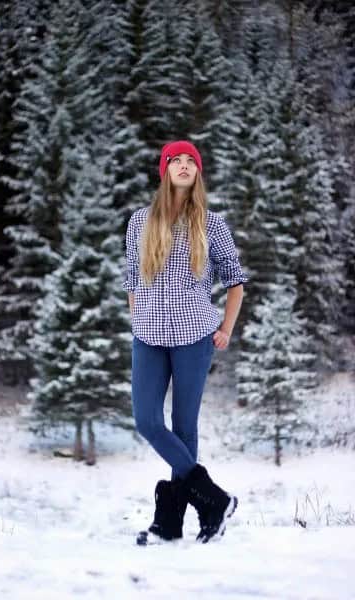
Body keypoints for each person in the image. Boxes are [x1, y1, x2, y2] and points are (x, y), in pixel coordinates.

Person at [122, 140, 249, 545]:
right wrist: (137, 315)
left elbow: (236, 282)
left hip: (194, 336)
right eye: (174, 160)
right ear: (164, 171)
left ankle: (170, 524)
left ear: (197, 171)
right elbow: (131, 280)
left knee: (184, 426)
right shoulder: (139, 221)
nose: (181, 165)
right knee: (147, 420)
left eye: (189, 161)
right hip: (148, 337)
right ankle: (213, 499)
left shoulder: (212, 225)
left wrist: (225, 328)